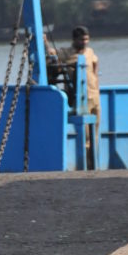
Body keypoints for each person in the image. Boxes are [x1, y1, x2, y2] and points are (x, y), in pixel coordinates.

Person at [47, 25, 100, 164]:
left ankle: (93, 161)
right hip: (80, 98)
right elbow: (52, 55)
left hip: (94, 96)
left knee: (95, 132)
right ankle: (86, 165)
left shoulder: (90, 51)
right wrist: (45, 42)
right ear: (75, 40)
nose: (85, 42)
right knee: (86, 135)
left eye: (87, 39)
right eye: (82, 40)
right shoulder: (66, 53)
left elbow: (95, 66)